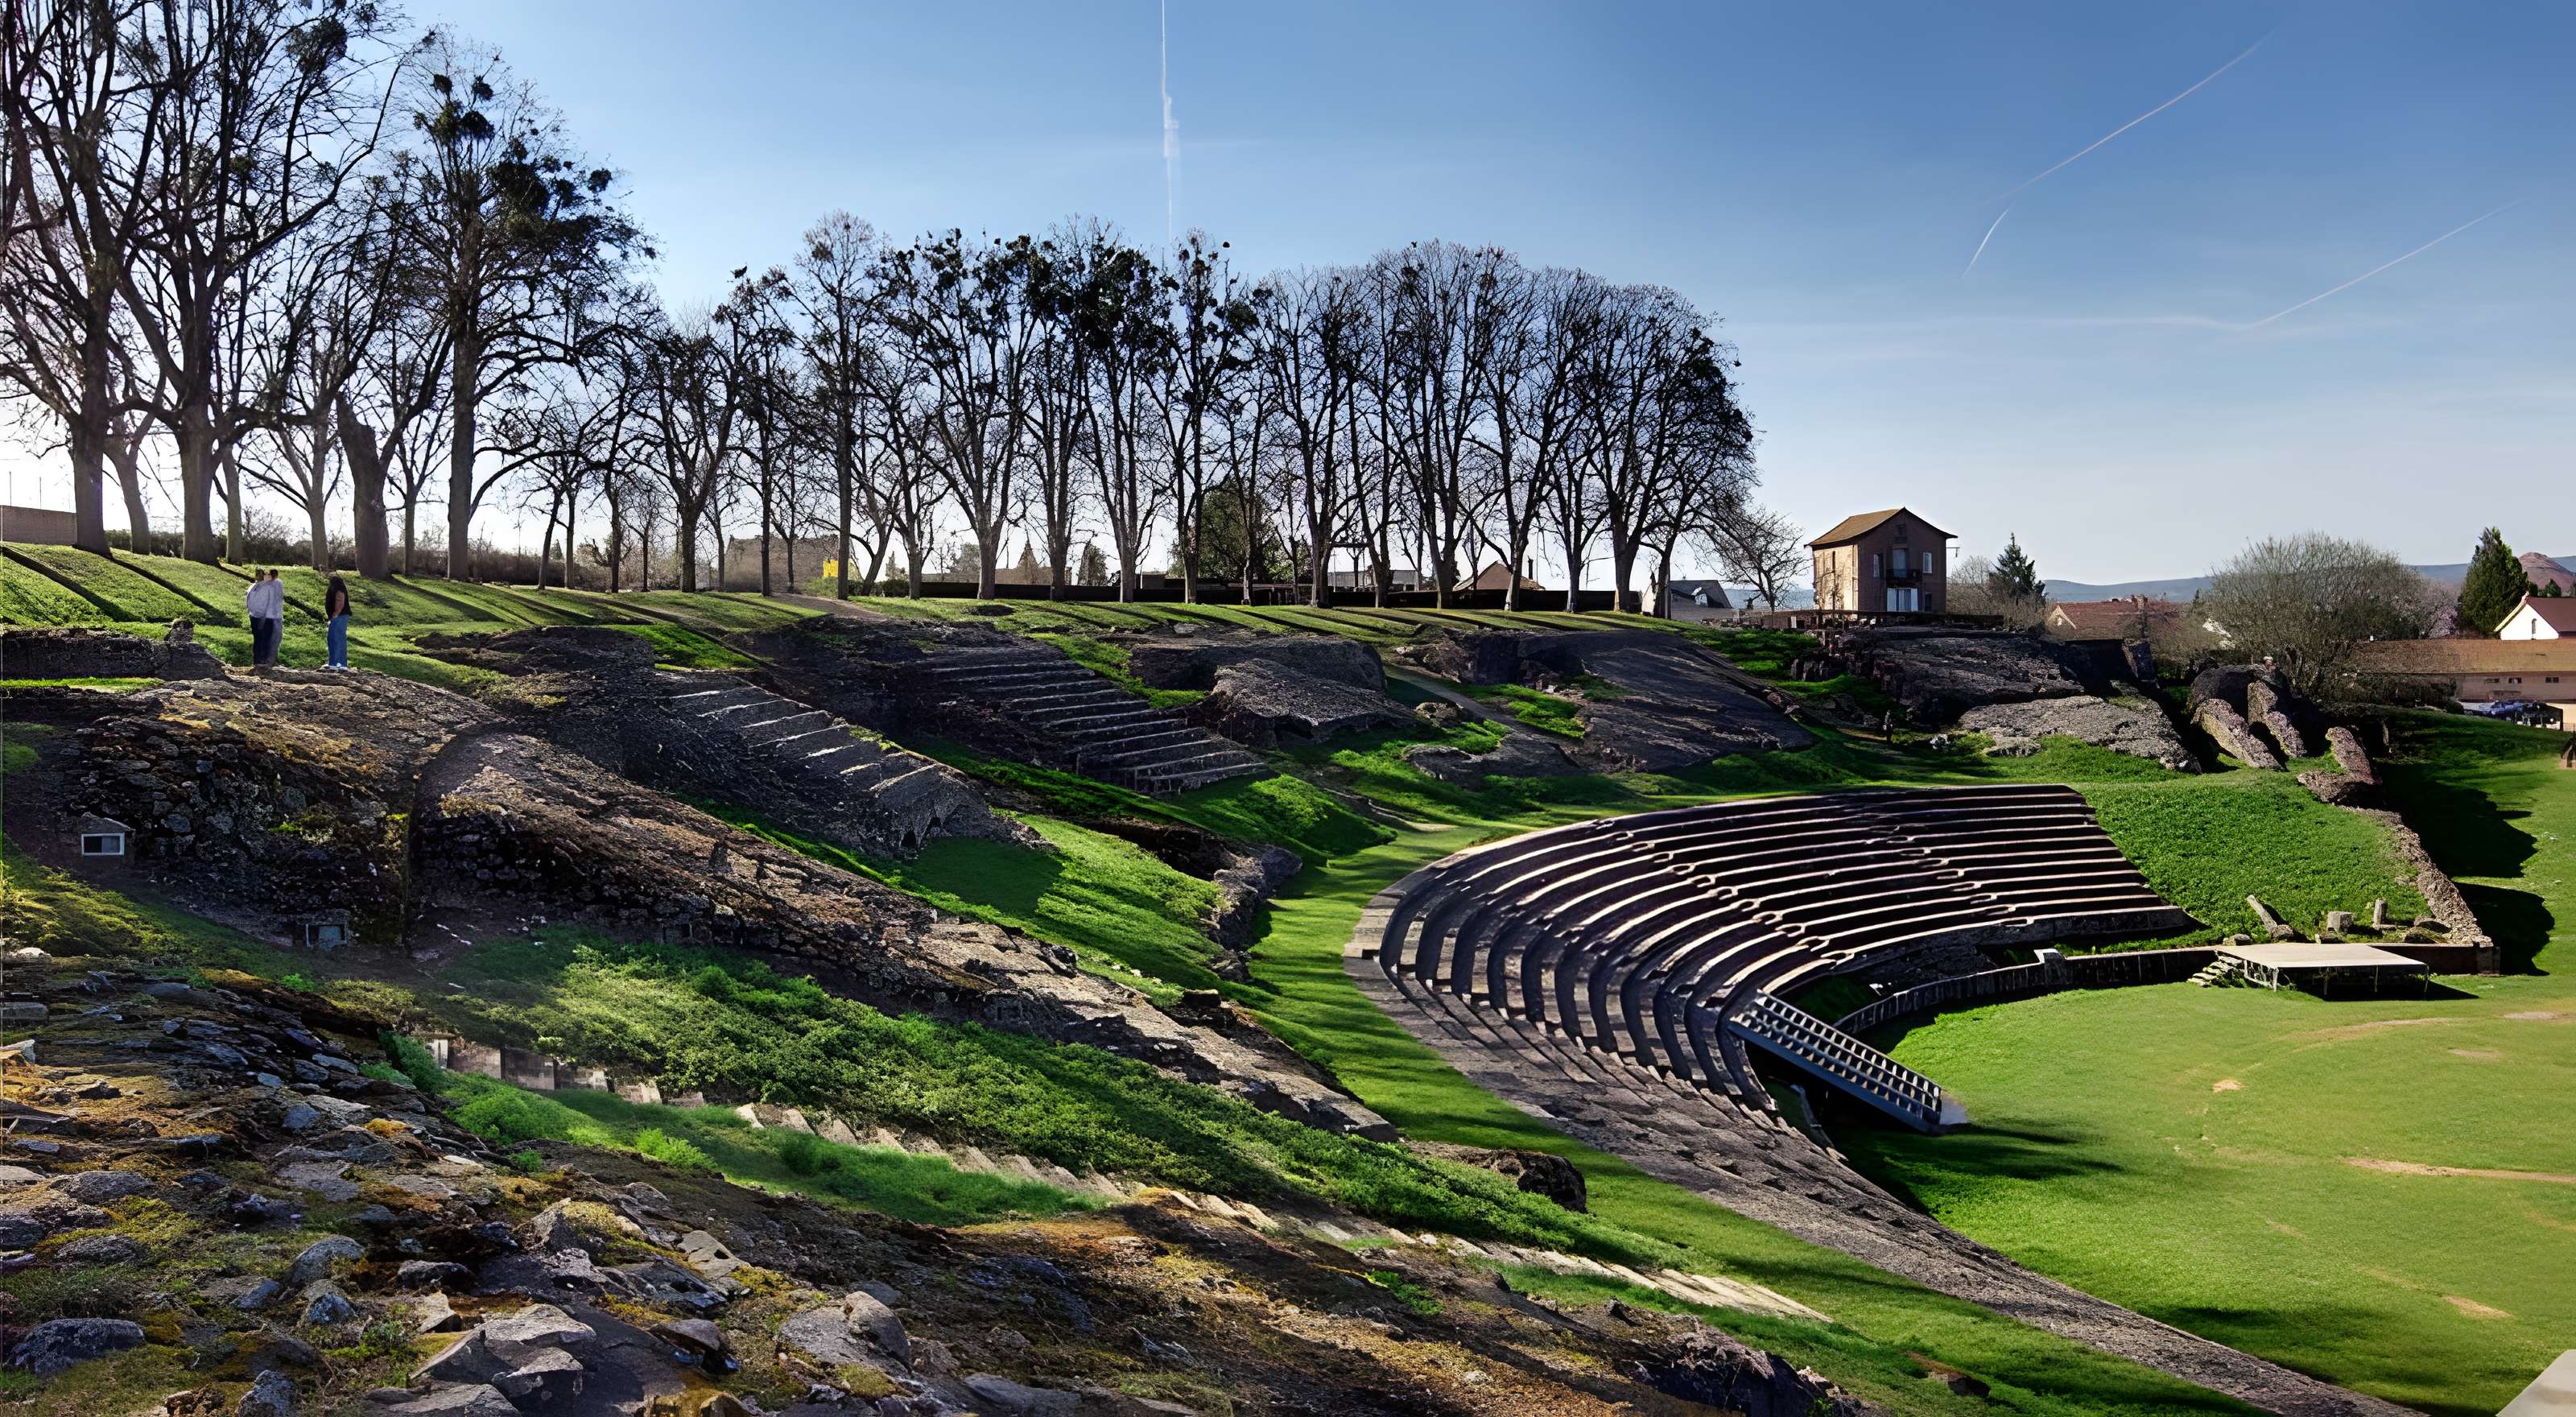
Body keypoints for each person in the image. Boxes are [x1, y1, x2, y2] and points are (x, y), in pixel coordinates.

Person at [248, 569, 285, 667]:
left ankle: (260, 661)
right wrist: (263, 618)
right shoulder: (269, 586)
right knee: (267, 640)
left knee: (260, 640)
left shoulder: (255, 586)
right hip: (267, 617)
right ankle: (264, 662)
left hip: (258, 616)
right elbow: (267, 603)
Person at [323, 574, 352, 671]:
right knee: (340, 639)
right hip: (341, 616)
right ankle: (342, 664)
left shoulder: (338, 589)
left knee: (334, 639)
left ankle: (333, 664)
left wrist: (335, 614)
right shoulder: (341, 588)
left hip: (338, 616)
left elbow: (340, 601)